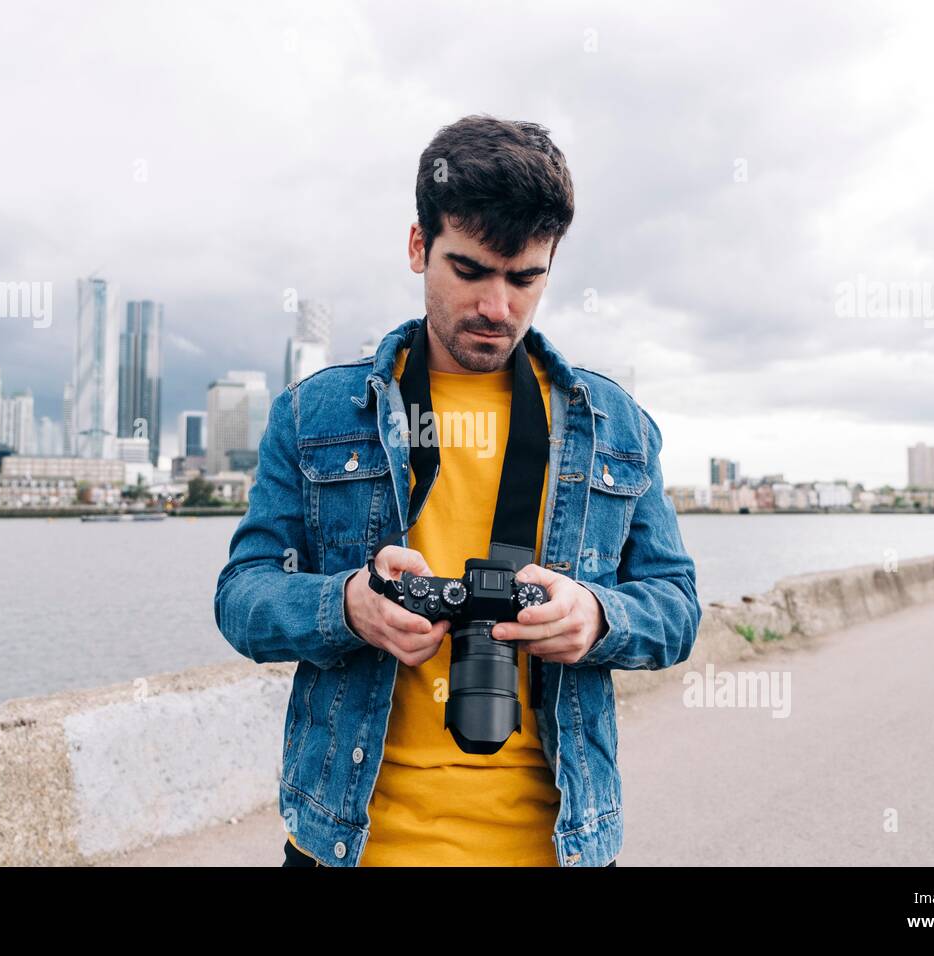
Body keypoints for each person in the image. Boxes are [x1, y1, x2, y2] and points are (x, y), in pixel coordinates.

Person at [215, 114, 701, 867]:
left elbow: (675, 608)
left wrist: (597, 617)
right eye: (470, 271)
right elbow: (241, 598)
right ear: (419, 247)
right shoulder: (313, 415)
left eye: (525, 278)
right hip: (349, 847)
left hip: (561, 846)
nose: (497, 307)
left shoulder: (616, 426)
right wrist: (346, 606)